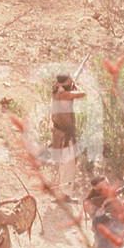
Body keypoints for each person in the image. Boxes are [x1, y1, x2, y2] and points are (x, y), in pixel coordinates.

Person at [50, 73, 86, 202]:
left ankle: (62, 192)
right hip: (65, 134)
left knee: (64, 164)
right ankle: (65, 195)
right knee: (68, 165)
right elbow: (83, 94)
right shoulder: (64, 95)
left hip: (59, 133)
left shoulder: (57, 93)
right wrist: (77, 86)